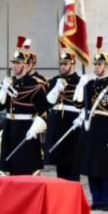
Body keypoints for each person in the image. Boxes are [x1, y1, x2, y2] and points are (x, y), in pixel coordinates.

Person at [75, 37, 108, 211]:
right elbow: (78, 105)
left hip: (106, 129)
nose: (96, 67)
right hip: (90, 129)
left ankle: (105, 201)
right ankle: (96, 200)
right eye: (95, 65)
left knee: (104, 168)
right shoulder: (89, 85)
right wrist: (79, 88)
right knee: (91, 167)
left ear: (107, 66)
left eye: (100, 65)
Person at [0, 36, 49, 175]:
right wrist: (2, 91)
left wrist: (36, 127)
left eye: (18, 63)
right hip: (9, 127)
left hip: (26, 128)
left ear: (26, 65)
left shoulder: (35, 85)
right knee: (10, 167)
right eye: (14, 63)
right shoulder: (10, 82)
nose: (15, 66)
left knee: (25, 167)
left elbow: (45, 111)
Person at [43, 48, 81, 181]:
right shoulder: (54, 81)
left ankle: (73, 195)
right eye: (61, 64)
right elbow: (48, 102)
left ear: (72, 64)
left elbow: (82, 104)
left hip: (72, 125)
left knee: (72, 164)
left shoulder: (79, 81)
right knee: (60, 164)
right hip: (57, 125)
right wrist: (56, 89)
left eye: (65, 64)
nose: (62, 67)